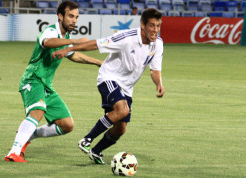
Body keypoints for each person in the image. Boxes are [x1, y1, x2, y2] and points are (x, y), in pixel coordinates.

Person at [52, 8, 165, 164]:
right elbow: (95, 44)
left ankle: (96, 151)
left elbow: (155, 70)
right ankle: (86, 140)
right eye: (152, 25)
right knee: (122, 109)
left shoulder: (158, 44)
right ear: (143, 25)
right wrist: (70, 49)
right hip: (109, 78)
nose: (155, 30)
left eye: (158, 26)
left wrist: (158, 83)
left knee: (120, 128)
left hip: (127, 88)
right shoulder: (126, 38)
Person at [4, 1, 103, 163]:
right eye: (71, 16)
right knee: (38, 111)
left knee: (67, 125)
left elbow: (74, 55)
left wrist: (98, 62)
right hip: (33, 79)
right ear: (60, 16)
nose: (74, 21)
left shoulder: (67, 38)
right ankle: (13, 152)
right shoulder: (49, 31)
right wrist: (78, 42)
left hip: (46, 86)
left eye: (76, 17)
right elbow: (47, 42)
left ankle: (29, 135)